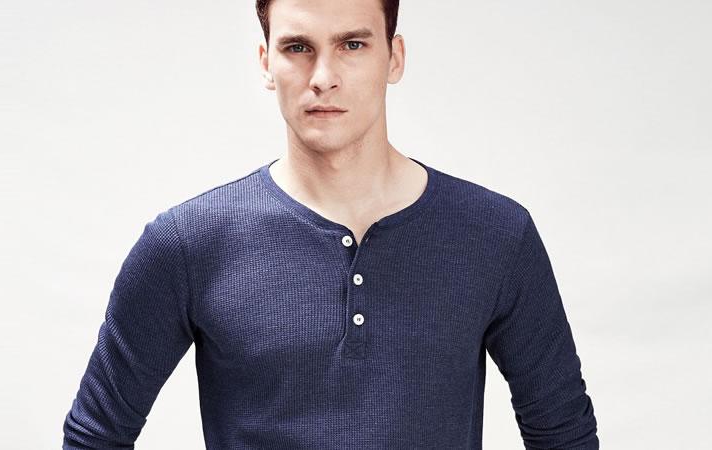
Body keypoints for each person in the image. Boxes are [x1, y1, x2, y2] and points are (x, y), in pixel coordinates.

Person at [62, 0, 600, 447]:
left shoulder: (496, 235)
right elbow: (95, 436)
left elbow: (564, 435)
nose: (323, 78)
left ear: (394, 57)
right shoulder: (187, 244)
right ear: (266, 62)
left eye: (353, 45)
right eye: (298, 48)